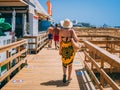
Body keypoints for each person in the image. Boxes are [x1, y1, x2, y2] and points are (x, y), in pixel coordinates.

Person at [59, 19, 79, 83]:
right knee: (70, 63)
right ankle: (69, 77)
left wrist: (60, 50)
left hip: (64, 48)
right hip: (70, 48)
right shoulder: (71, 31)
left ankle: (64, 74)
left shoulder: (61, 31)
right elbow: (77, 39)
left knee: (64, 62)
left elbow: (60, 42)